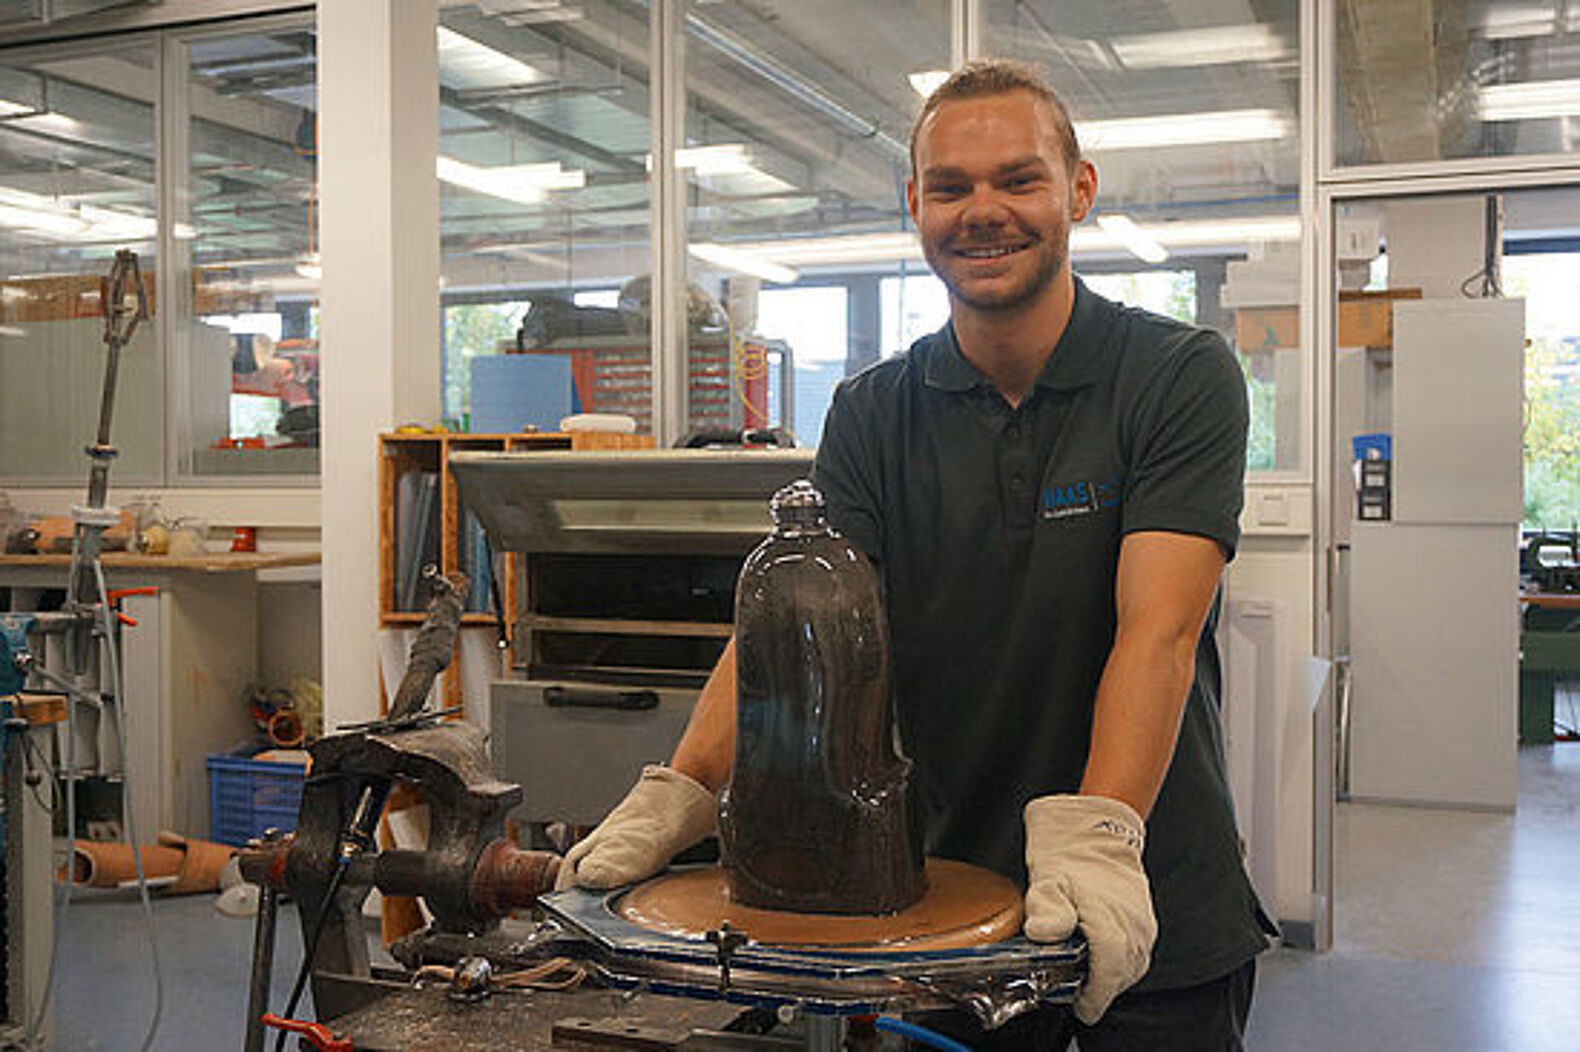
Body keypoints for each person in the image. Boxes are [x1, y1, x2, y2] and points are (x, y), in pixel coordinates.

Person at [557, 58, 1272, 1050]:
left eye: (1016, 179)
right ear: (915, 206)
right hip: (947, 899)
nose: (983, 210)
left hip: (1148, 888)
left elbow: (1160, 627)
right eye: (950, 186)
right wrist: (680, 788)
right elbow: (783, 629)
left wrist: (1098, 833)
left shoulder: (1173, 375)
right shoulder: (871, 412)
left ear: (1077, 190)